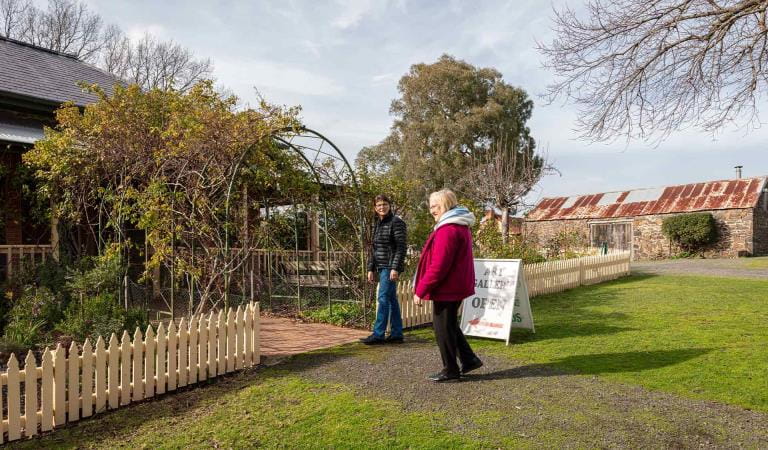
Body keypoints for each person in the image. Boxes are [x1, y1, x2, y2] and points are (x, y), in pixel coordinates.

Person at [413, 189, 483, 382]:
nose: (431, 210)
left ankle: (451, 369)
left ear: (446, 205)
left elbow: (439, 265)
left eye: (435, 206)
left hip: (448, 288)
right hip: (455, 285)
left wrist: (421, 289)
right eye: (430, 206)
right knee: (449, 325)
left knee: (442, 328)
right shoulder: (458, 226)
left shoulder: (448, 229)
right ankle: (469, 360)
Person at [360, 194, 407, 345]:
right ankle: (397, 334)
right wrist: (370, 268)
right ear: (375, 208)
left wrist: (395, 268)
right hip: (381, 266)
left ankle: (378, 335)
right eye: (379, 205)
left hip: (389, 266)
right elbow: (375, 249)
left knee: (382, 299)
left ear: (389, 205)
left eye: (384, 204)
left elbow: (401, 247)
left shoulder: (396, 222)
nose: (382, 207)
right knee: (391, 300)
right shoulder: (378, 224)